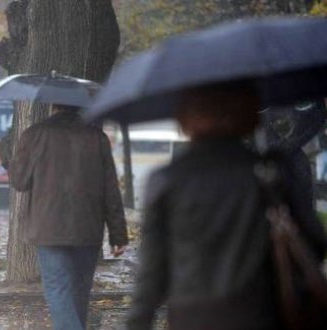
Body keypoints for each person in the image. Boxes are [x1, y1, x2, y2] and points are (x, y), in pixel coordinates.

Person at [126, 84, 327, 329]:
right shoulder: (271, 171)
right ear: (251, 116)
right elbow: (314, 242)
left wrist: (137, 321)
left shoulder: (168, 179)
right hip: (262, 314)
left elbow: (152, 271)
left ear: (185, 118)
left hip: (194, 316)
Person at [7, 104, 129, 330]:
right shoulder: (96, 137)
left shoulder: (34, 134)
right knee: (79, 292)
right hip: (88, 228)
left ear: (52, 106)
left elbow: (20, 181)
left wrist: (10, 157)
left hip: (48, 228)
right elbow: (111, 189)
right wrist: (118, 234)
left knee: (58, 289)